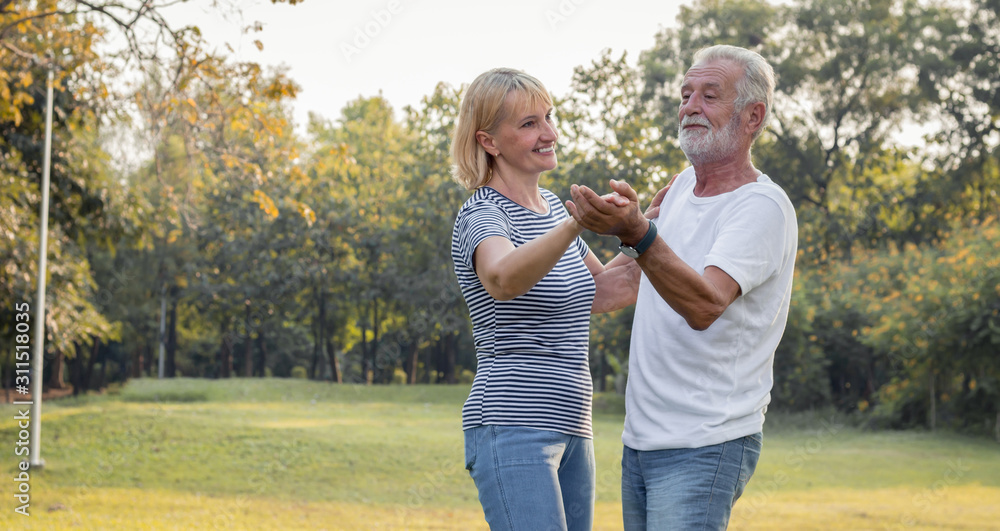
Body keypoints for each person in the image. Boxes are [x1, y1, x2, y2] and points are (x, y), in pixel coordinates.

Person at [566, 45, 799, 530]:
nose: (690, 106)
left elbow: (704, 304)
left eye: (709, 95)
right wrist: (550, 216)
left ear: (753, 116)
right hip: (641, 442)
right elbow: (609, 291)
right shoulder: (676, 194)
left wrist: (637, 232)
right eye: (686, 93)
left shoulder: (761, 206)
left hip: (706, 441)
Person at [449, 67, 639, 531]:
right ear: (489, 141)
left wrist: (647, 227)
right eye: (529, 123)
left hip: (574, 423)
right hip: (512, 424)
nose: (549, 133)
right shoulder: (482, 212)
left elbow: (606, 290)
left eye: (548, 118)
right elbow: (502, 278)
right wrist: (578, 224)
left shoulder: (553, 207)